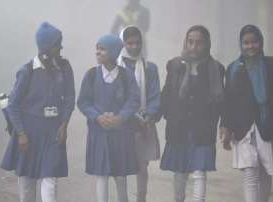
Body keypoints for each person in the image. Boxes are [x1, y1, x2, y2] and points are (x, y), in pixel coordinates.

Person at [221, 24, 273, 202]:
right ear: (240, 44)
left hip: (267, 124)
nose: (250, 46)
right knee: (250, 173)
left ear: (261, 42)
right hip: (243, 128)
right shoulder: (233, 68)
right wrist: (225, 126)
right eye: (246, 43)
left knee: (265, 171)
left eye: (254, 42)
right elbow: (228, 100)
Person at [1, 22, 75, 202]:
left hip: (53, 133)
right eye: (58, 44)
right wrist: (21, 133)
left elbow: (70, 98)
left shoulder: (64, 68)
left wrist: (64, 124)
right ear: (47, 47)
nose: (61, 47)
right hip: (28, 134)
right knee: (27, 188)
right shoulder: (27, 71)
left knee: (50, 185)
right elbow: (13, 105)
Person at [160, 25, 225, 202]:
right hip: (178, 127)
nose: (194, 47)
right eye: (190, 42)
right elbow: (166, 95)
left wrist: (223, 125)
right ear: (185, 42)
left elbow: (221, 103)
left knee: (199, 171)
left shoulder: (216, 69)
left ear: (207, 44)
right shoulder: (175, 65)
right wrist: (153, 117)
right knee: (180, 172)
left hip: (203, 128)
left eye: (199, 43)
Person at [77, 34, 140, 202]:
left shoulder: (127, 76)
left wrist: (121, 117)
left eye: (102, 49)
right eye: (97, 48)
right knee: (101, 175)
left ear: (113, 52)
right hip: (99, 134)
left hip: (121, 135)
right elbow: (83, 102)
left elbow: (134, 100)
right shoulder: (91, 75)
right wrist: (97, 117)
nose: (98, 52)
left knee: (121, 176)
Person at [117, 25, 160, 202]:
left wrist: (148, 116)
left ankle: (141, 198)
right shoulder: (115, 67)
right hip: (121, 124)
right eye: (130, 43)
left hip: (143, 124)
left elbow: (154, 96)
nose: (134, 47)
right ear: (123, 43)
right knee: (120, 168)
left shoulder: (150, 68)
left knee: (142, 166)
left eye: (138, 43)